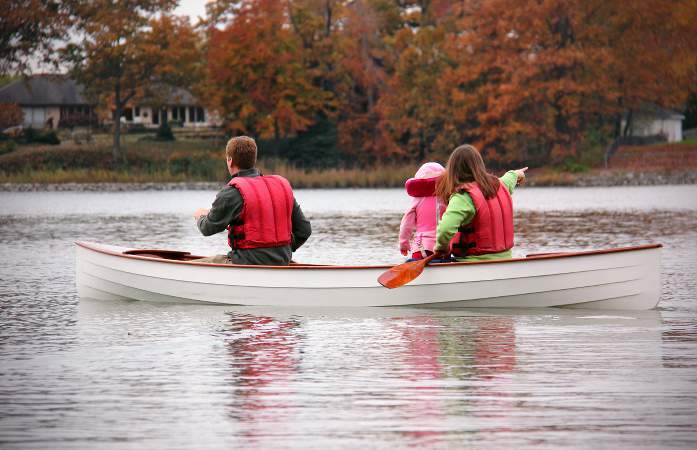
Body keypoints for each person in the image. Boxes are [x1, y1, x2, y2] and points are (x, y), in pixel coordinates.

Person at [193, 136, 311, 265]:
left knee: (195, 265)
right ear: (253, 160)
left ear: (230, 160)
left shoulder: (231, 193)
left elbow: (207, 228)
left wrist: (200, 216)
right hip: (282, 261)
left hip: (247, 262)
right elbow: (304, 230)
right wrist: (280, 251)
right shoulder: (281, 187)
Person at [433, 144, 527, 261]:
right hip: (505, 260)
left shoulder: (463, 197)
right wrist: (518, 174)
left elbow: (445, 230)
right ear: (479, 165)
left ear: (453, 170)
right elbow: (509, 178)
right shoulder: (500, 185)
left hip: (473, 262)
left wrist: (441, 249)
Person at [398, 162, 446, 261]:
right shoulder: (447, 199)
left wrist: (404, 244)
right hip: (443, 248)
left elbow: (406, 224)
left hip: (421, 248)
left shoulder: (416, 201)